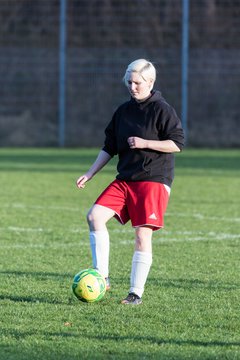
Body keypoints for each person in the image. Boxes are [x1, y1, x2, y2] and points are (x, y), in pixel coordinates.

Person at [76, 59, 184, 305]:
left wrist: (146, 143)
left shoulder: (162, 109)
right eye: (129, 82)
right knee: (94, 216)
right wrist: (90, 173)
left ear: (150, 82)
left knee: (142, 233)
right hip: (126, 178)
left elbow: (177, 143)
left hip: (153, 179)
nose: (132, 87)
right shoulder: (123, 111)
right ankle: (102, 276)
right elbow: (110, 147)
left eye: (137, 82)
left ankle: (135, 293)